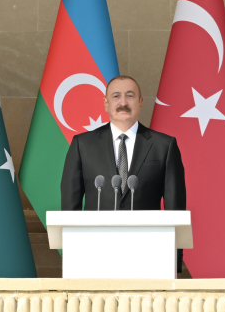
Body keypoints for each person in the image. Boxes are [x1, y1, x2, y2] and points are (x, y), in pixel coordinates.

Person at [60, 76, 187, 272]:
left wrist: (174, 260)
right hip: (93, 255)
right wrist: (72, 256)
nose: (123, 103)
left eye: (130, 96)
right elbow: (70, 204)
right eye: (116, 96)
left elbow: (175, 207)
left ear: (140, 102)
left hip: (149, 255)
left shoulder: (164, 146)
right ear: (106, 103)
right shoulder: (82, 145)